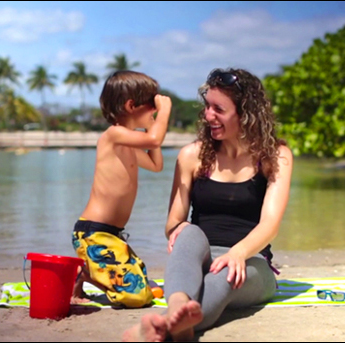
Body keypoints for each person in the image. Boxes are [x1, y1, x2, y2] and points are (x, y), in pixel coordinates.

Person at [122, 67, 293, 341]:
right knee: (189, 232)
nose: (208, 115)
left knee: (223, 278)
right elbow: (173, 222)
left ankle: (168, 326)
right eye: (207, 106)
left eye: (218, 109)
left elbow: (270, 226)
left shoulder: (274, 156)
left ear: (245, 113)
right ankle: (178, 309)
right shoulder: (192, 156)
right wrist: (179, 229)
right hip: (198, 257)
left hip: (251, 262)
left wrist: (237, 253)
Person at [71, 70, 173, 309]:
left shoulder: (129, 143)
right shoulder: (113, 135)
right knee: (136, 297)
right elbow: (155, 141)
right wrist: (165, 112)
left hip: (112, 235)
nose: (156, 111)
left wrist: (151, 128)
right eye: (152, 106)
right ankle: (84, 273)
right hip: (93, 233)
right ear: (131, 106)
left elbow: (156, 164)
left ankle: (89, 272)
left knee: (147, 288)